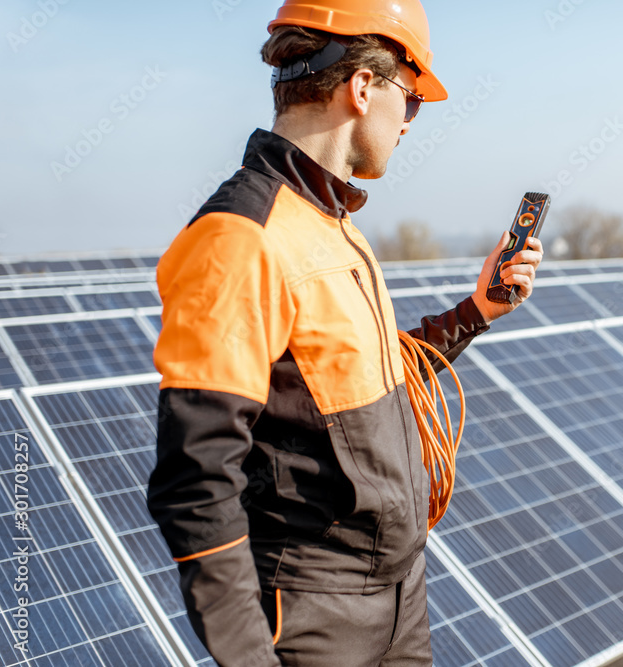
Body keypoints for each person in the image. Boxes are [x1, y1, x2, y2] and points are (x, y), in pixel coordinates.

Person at [145, 1, 543, 665]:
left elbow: (373, 373)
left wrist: (477, 309)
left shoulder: (331, 225)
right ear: (363, 88)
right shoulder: (241, 238)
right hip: (317, 619)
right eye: (411, 101)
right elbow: (194, 478)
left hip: (397, 599)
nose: (411, 122)